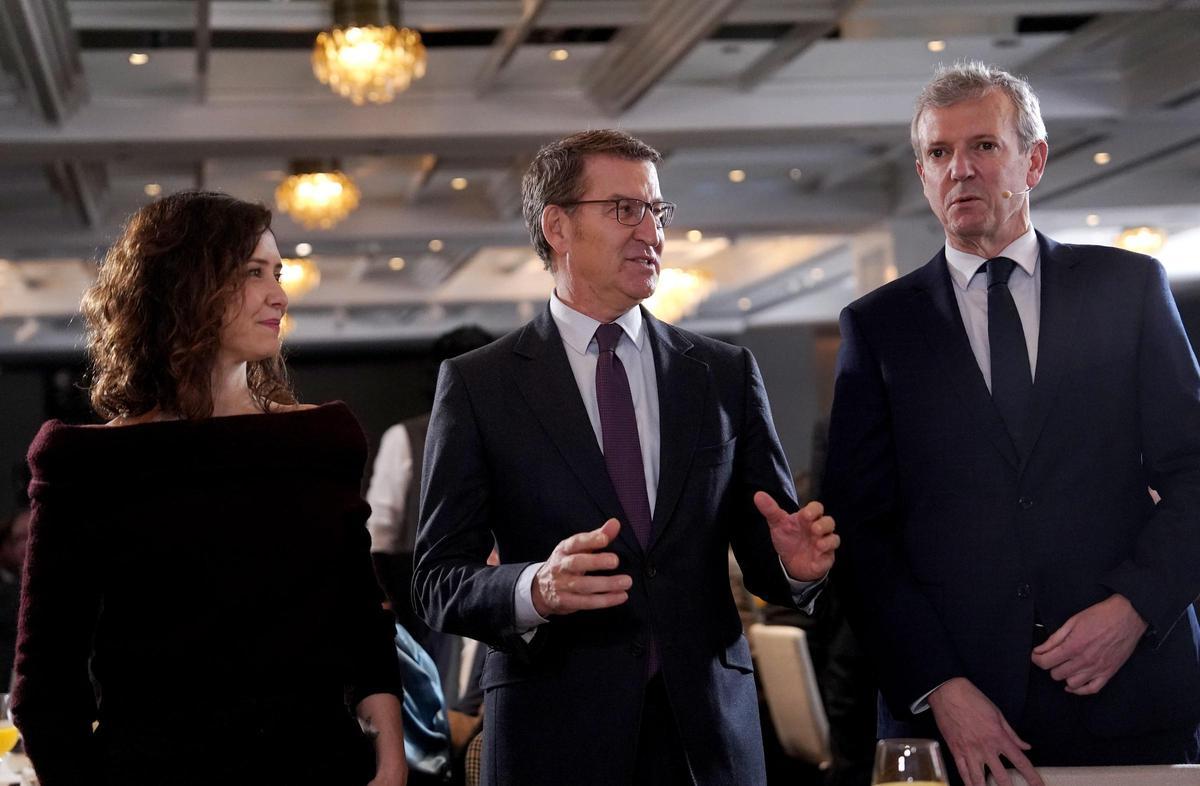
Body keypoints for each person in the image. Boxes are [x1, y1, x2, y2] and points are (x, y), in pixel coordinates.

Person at [412, 129, 839, 786]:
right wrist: (538, 588)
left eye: (657, 211)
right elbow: (439, 580)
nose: (652, 232)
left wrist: (792, 565)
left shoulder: (723, 373)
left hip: (709, 737)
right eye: (624, 210)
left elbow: (766, 546)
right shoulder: (480, 385)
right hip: (554, 736)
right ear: (557, 226)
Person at [823, 62, 1200, 786]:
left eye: (983, 146)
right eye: (938, 153)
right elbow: (861, 532)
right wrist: (940, 686)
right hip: (951, 721)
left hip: (1129, 699)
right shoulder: (878, 328)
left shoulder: (1127, 290)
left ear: (1034, 159)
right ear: (923, 173)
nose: (959, 169)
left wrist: (1134, 608)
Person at [12, 191, 407, 786]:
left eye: (277, 272)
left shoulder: (318, 438)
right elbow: (46, 679)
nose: (279, 293)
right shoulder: (85, 463)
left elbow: (362, 620)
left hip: (319, 764)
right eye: (253, 273)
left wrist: (392, 758)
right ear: (183, 285)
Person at [366, 326, 493, 641]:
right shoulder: (407, 437)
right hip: (428, 602)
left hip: (501, 593)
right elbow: (378, 536)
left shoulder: (514, 435)